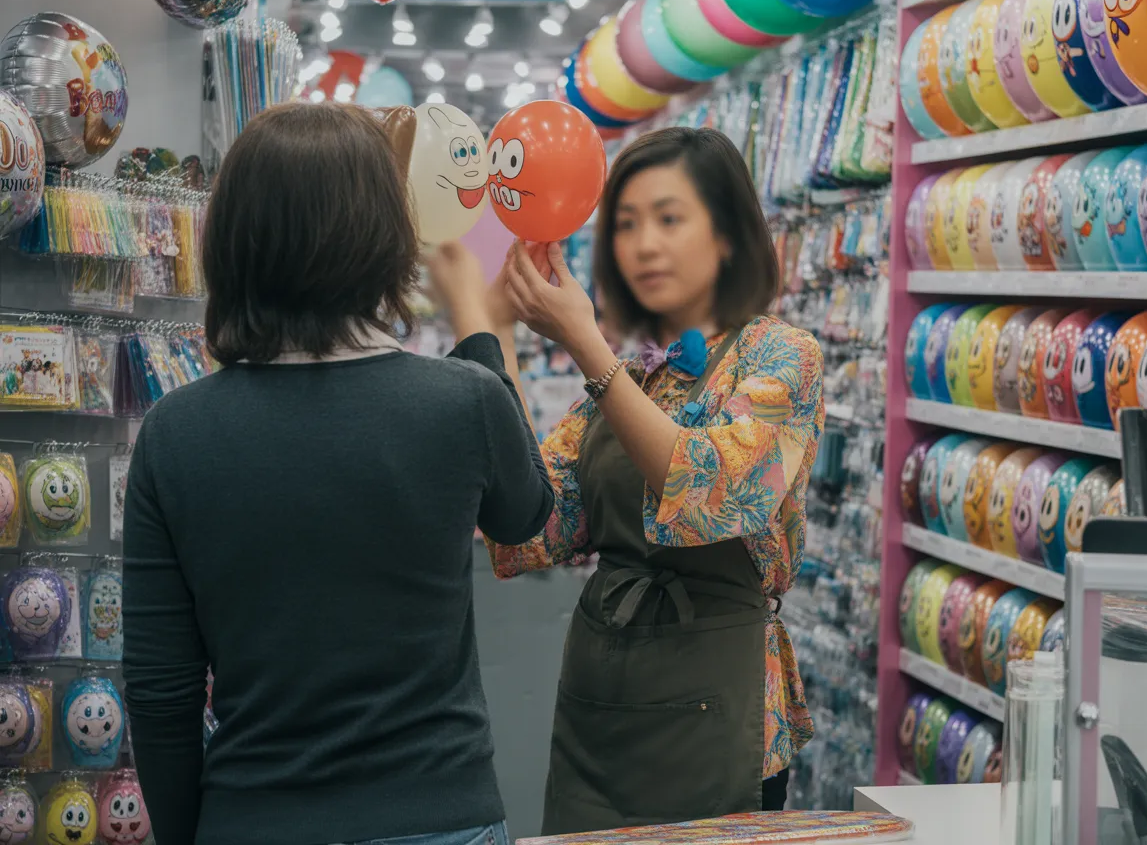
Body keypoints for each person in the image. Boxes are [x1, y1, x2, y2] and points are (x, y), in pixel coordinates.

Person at [122, 103, 554, 845]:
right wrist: (478, 327)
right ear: (388, 234)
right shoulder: (463, 403)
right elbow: (527, 513)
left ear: (232, 240)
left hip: (255, 814)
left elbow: (162, 692)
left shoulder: (175, 432)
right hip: (440, 812)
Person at [475, 127, 825, 834]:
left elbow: (716, 492)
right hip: (596, 715)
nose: (642, 244)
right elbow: (534, 517)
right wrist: (495, 332)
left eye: (669, 218)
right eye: (627, 223)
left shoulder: (782, 356)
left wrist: (586, 346)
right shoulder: (638, 371)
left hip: (717, 715)